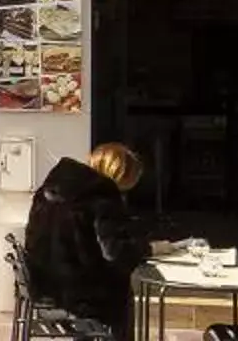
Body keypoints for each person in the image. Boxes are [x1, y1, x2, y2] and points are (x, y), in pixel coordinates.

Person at [22, 141, 151, 340]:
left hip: (44, 285)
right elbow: (116, 253)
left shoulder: (51, 189)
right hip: (79, 296)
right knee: (123, 291)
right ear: (120, 175)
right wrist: (145, 248)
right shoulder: (103, 197)